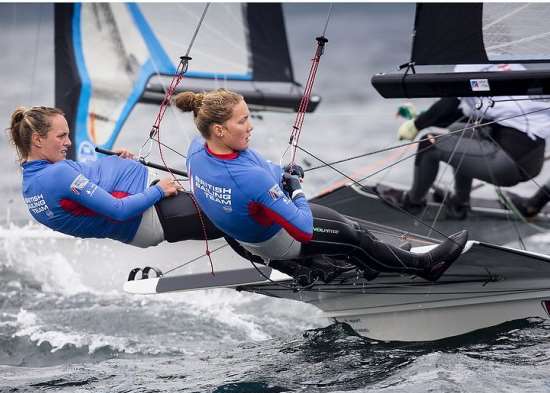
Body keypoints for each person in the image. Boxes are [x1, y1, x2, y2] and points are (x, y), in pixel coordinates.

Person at [174, 89, 468, 283]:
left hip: (246, 241)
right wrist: (296, 189)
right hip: (279, 241)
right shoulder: (250, 180)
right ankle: (426, 266)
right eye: (243, 121)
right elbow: (303, 228)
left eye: (249, 117)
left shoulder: (196, 151)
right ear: (219, 129)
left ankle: (374, 263)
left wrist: (281, 174)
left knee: (349, 235)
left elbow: (254, 169)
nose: (250, 126)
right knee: (355, 236)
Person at [10, 106, 222, 247]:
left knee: (228, 209)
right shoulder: (56, 174)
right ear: (38, 140)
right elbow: (118, 211)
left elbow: (86, 178)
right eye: (61, 136)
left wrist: (114, 161)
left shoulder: (33, 183)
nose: (69, 142)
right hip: (152, 213)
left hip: (147, 213)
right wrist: (159, 190)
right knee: (229, 210)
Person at [383, 64, 550, 219]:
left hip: (507, 162)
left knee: (429, 144)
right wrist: (423, 118)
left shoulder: (472, 66)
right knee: (458, 129)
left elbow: (449, 105)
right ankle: (459, 203)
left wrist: (416, 125)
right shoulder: (512, 66)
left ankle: (412, 203)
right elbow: (458, 115)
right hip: (531, 160)